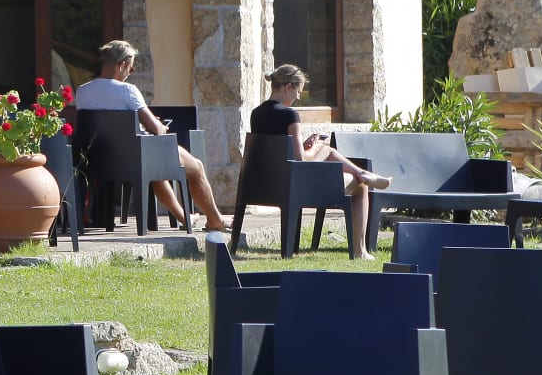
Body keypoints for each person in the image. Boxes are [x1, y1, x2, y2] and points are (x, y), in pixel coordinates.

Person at [71, 39, 229, 236]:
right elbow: (155, 128)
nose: (130, 72)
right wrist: (161, 125)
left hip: (98, 161)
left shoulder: (83, 91)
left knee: (155, 169)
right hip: (135, 157)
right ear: (121, 65)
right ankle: (215, 220)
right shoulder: (127, 90)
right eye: (130, 67)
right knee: (196, 167)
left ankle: (184, 217)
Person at [250, 63, 391, 260]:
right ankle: (360, 250)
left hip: (267, 185)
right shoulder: (290, 115)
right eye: (298, 91)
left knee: (326, 150)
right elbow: (300, 159)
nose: (299, 97)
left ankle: (362, 173)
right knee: (358, 184)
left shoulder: (256, 114)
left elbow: (282, 152)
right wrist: (316, 149)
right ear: (288, 87)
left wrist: (306, 146)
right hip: (296, 186)